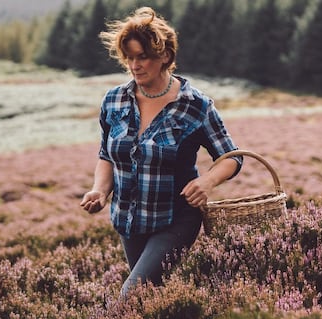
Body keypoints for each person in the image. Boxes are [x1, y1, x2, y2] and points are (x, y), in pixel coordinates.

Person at [80, 7, 242, 297]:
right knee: (150, 299)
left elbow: (232, 157)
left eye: (142, 56)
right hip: (128, 221)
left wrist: (206, 182)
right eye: (129, 57)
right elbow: (106, 155)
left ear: (164, 56)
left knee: (130, 296)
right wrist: (99, 191)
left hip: (175, 219)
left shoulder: (196, 105)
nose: (134, 65)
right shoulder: (114, 100)